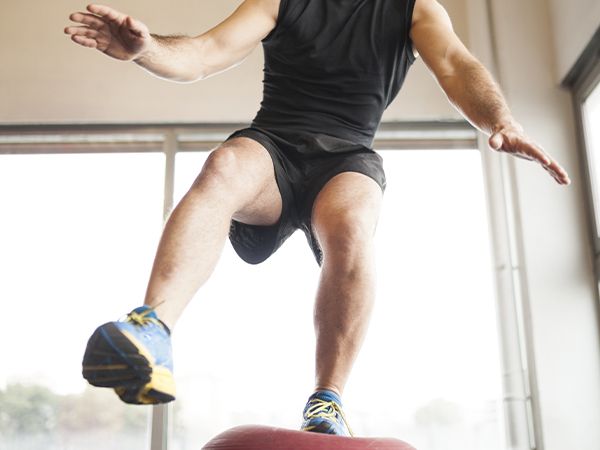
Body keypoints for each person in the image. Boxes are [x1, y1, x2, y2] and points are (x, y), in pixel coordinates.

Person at [65, 0, 570, 437]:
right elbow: (205, 52)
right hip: (274, 147)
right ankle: (152, 329)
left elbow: (457, 66)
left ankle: (327, 399)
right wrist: (147, 50)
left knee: (353, 221)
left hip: (348, 156)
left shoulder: (414, 8)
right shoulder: (280, 1)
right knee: (224, 164)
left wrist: (501, 120)